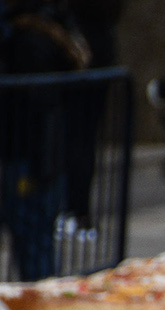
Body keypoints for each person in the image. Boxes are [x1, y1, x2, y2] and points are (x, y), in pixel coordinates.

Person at [0, 0, 91, 280]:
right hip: (42, 156)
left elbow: (36, 105)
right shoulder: (49, 34)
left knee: (33, 239)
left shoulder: (29, 41)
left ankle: (38, 299)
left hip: (31, 157)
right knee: (37, 241)